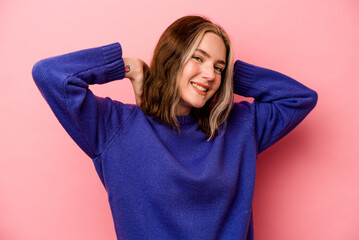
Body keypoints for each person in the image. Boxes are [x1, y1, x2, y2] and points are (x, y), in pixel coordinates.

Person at [32, 15, 317, 240]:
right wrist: (126, 67)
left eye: (218, 67)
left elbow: (300, 98)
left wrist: (231, 74)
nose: (209, 74)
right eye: (198, 57)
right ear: (172, 59)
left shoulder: (239, 127)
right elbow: (51, 74)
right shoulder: (114, 128)